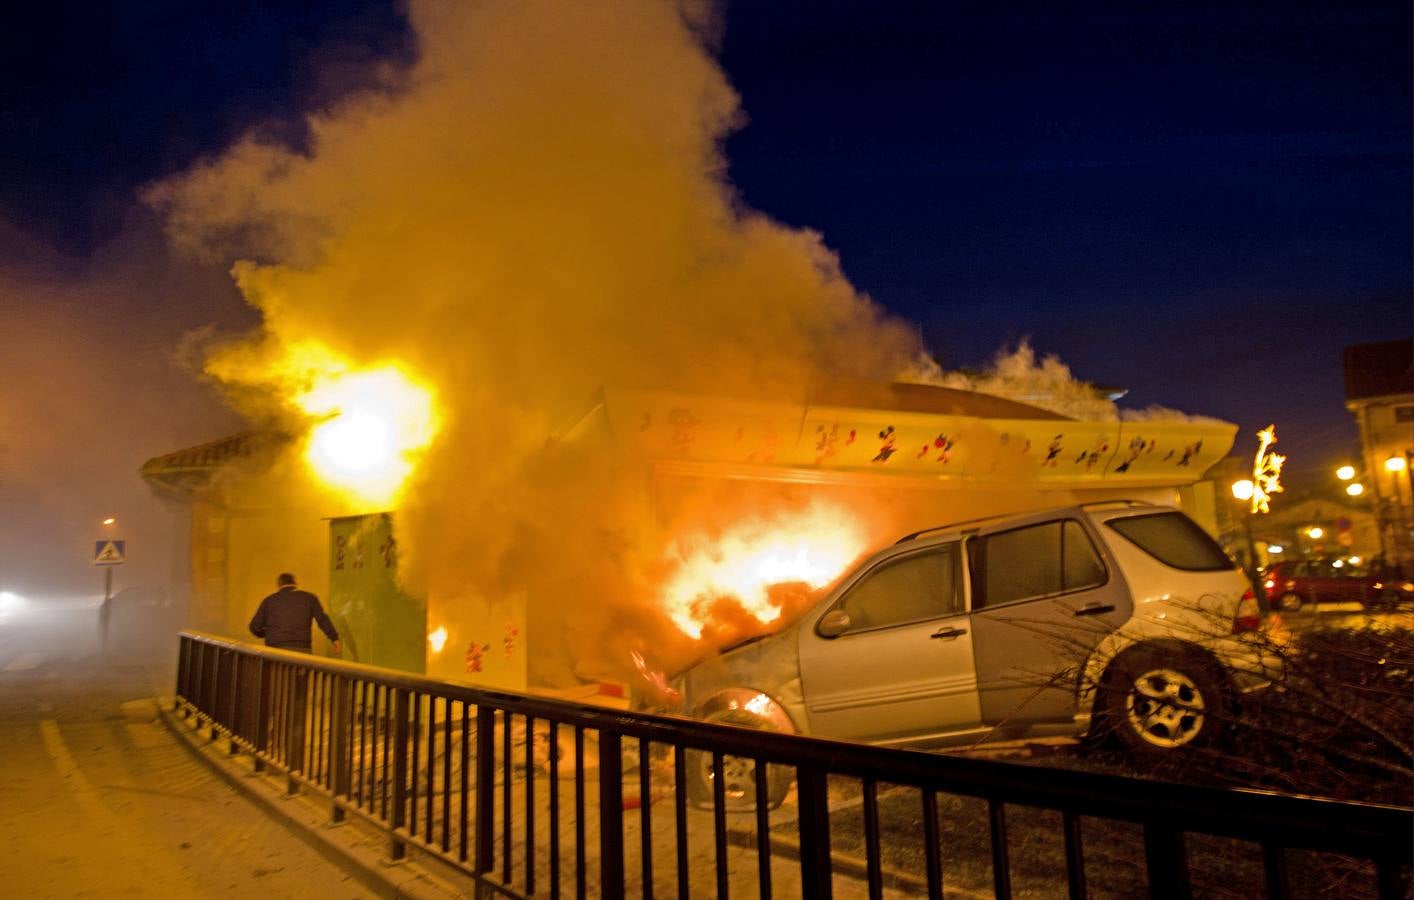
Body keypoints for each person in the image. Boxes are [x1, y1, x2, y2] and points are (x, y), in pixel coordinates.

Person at [249, 573, 342, 654]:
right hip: (302, 649)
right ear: (295, 583)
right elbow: (322, 619)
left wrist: (267, 633)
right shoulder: (309, 598)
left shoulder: (269, 601)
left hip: (274, 650)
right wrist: (334, 638)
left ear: (279, 584)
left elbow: (254, 627)